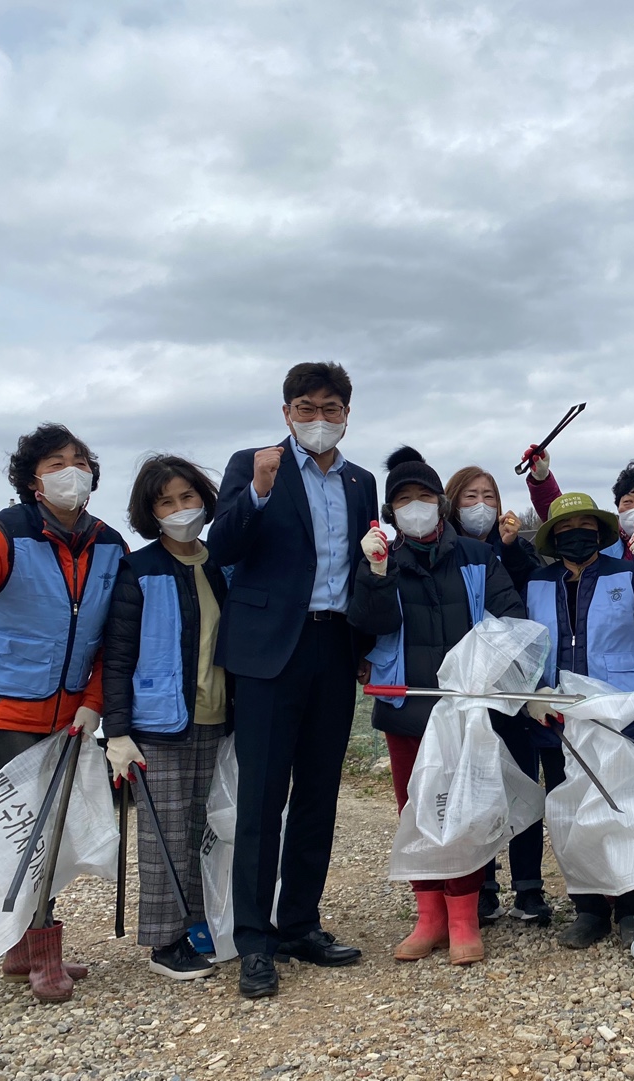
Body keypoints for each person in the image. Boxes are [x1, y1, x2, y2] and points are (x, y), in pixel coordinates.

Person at [0, 424, 127, 1002]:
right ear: (32, 480)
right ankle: (41, 951)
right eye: (55, 463)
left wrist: (94, 702)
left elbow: (114, 636)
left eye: (80, 461)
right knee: (31, 825)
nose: (71, 471)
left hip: (70, 706)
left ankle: (19, 947)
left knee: (50, 821)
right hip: (7, 700)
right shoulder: (3, 531)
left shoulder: (109, 543)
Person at [207, 362, 378, 999]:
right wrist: (256, 491)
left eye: (330, 408)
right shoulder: (255, 465)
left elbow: (365, 565)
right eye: (305, 408)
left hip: (334, 644)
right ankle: (254, 940)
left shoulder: (362, 481)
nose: (318, 419)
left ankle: (300, 923)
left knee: (318, 793)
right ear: (286, 413)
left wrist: (366, 643)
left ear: (347, 415)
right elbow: (222, 547)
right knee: (261, 798)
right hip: (269, 651)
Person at [349, 448, 526, 965]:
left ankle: (464, 916)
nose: (416, 506)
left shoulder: (476, 557)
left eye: (424, 496)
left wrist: (489, 678)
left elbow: (508, 620)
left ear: (441, 504)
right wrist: (375, 574)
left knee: (463, 809)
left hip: (463, 709)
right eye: (404, 499)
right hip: (404, 705)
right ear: (390, 511)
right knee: (416, 810)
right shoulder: (380, 559)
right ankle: (429, 915)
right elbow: (367, 627)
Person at [522, 452, 634, 911]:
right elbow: (526, 642)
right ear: (553, 537)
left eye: (585, 526)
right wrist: (533, 691)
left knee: (624, 805)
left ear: (600, 531)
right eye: (566, 529)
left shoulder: (627, 571)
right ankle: (588, 906)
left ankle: (630, 905)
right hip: (559, 715)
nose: (577, 534)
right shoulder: (537, 581)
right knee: (571, 810)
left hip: (618, 712)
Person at [101, 455, 230, 979]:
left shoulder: (222, 565)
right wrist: (117, 731)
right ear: (150, 512)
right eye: (166, 502)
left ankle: (200, 922)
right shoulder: (139, 569)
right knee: (165, 835)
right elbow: (117, 656)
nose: (180, 509)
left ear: (204, 499)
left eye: (187, 497)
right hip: (159, 724)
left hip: (218, 717)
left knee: (206, 828)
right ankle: (164, 941)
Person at [442, 465, 550, 925]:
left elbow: (530, 591)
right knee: (475, 782)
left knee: (522, 777)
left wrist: (508, 549)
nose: (481, 505)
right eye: (470, 496)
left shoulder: (512, 548)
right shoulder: (443, 549)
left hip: (512, 681)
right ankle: (482, 885)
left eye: (489, 496)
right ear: (452, 502)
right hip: (466, 684)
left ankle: (529, 886)